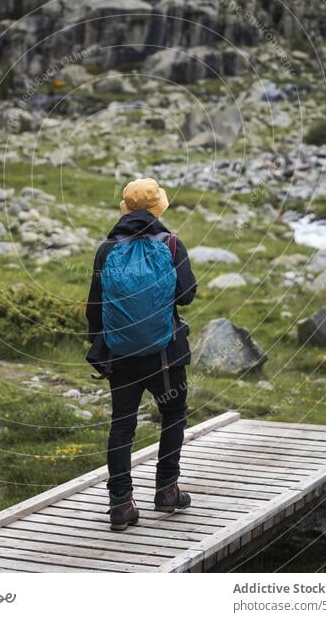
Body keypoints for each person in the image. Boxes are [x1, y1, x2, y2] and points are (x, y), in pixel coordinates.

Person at [86, 177, 197, 531]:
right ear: (157, 207)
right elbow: (187, 295)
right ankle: (167, 490)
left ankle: (121, 504)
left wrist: (101, 350)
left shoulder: (106, 249)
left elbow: (94, 306)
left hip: (120, 355)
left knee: (122, 427)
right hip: (165, 355)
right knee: (174, 415)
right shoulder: (172, 244)